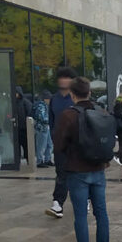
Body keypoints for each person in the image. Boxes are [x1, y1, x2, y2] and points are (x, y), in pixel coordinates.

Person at [53, 77, 110, 242]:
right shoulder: (101, 111)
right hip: (99, 169)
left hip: (77, 170)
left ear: (72, 94)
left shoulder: (68, 115)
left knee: (80, 215)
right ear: (90, 93)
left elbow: (59, 144)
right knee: (101, 213)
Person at [45, 68, 76, 218]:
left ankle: (85, 199)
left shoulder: (76, 97)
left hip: (76, 143)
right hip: (60, 143)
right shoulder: (54, 99)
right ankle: (57, 202)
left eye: (67, 77)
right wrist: (54, 137)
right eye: (61, 77)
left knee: (78, 172)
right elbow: (51, 120)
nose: (63, 80)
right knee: (61, 173)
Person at [33, 90, 53, 168]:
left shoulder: (44, 105)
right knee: (41, 145)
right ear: (45, 99)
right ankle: (40, 161)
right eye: (49, 99)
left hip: (46, 127)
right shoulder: (40, 106)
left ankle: (47, 159)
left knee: (49, 144)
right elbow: (41, 117)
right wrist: (50, 120)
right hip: (41, 128)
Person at [13, 86, 32, 162]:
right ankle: (17, 162)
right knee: (16, 147)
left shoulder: (25, 102)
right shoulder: (12, 103)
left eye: (16, 93)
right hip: (15, 128)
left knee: (26, 146)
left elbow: (30, 113)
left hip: (24, 128)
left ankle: (28, 160)